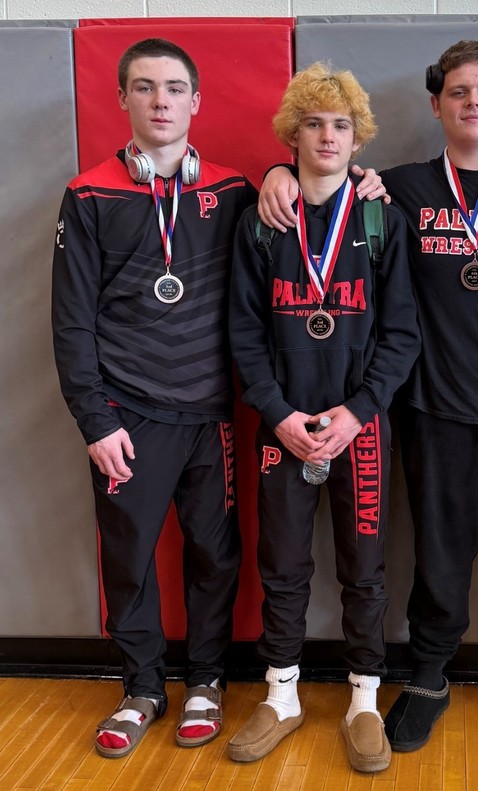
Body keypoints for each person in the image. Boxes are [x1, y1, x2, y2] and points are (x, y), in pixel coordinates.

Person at [259, 40, 478, 763]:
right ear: (436, 104)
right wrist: (274, 174)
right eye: (457, 91)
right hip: (437, 408)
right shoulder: (400, 189)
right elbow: (322, 177)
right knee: (440, 559)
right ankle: (427, 676)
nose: (472, 101)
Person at [52, 38, 256, 758]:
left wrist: (301, 174)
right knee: (129, 557)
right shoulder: (90, 194)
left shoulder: (234, 192)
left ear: (197, 102)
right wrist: (94, 420)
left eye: (174, 88)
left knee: (214, 554)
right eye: (144, 88)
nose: (160, 100)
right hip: (126, 420)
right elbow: (70, 323)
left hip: (211, 416)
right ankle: (140, 684)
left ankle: (206, 679)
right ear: (123, 100)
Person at [226, 63, 420, 773]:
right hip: (283, 424)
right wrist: (276, 413)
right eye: (314, 123)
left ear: (357, 135)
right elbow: (242, 332)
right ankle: (281, 694)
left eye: (341, 124)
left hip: (358, 425)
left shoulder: (380, 219)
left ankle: (364, 698)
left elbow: (403, 332)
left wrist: (359, 409)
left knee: (364, 568)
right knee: (282, 562)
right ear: (293, 133)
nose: (328, 135)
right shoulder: (262, 221)